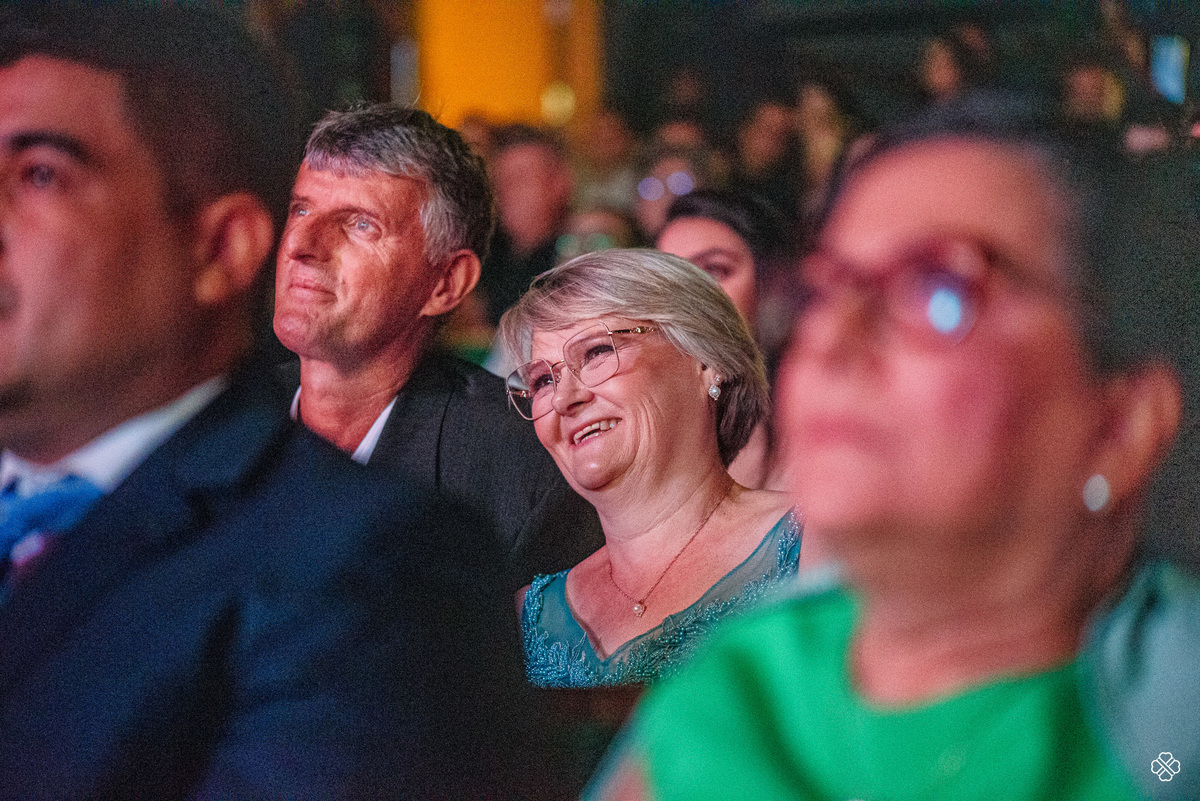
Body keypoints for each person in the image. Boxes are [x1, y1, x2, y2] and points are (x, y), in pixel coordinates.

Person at [0, 6, 546, 797]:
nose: (310, 247)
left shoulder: (373, 572)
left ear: (219, 248)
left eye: (41, 175)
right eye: (302, 210)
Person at [589, 94, 1200, 800]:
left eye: (938, 292)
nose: (832, 339)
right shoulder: (737, 690)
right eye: (825, 290)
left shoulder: (1169, 738)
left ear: (1121, 423)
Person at [272, 105, 602, 588]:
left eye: (361, 224)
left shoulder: (521, 474)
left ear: (446, 283)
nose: (301, 244)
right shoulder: (220, 420)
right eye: (301, 209)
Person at [498, 249, 801, 687]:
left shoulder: (821, 547)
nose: (564, 399)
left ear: (704, 360)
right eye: (543, 380)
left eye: (597, 351)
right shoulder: (522, 619)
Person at [656, 189, 792, 489]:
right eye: (671, 280)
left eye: (715, 270)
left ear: (772, 280)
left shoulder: (826, 413)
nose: (693, 296)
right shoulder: (653, 428)